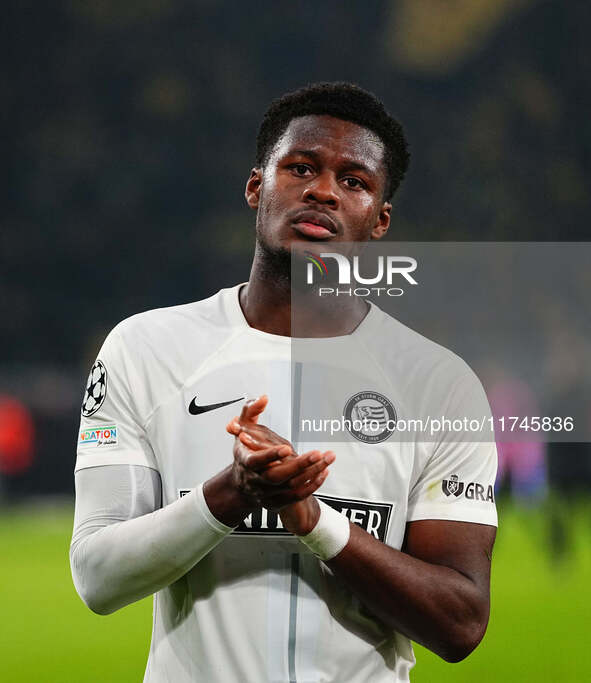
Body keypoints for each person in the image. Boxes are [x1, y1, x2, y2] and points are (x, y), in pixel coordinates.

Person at [70, 82, 498, 682]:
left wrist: (314, 520)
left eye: (354, 181)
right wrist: (230, 494)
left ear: (379, 220)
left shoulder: (437, 384)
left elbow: (459, 624)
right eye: (301, 167)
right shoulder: (145, 350)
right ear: (256, 187)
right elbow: (97, 576)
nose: (323, 190)